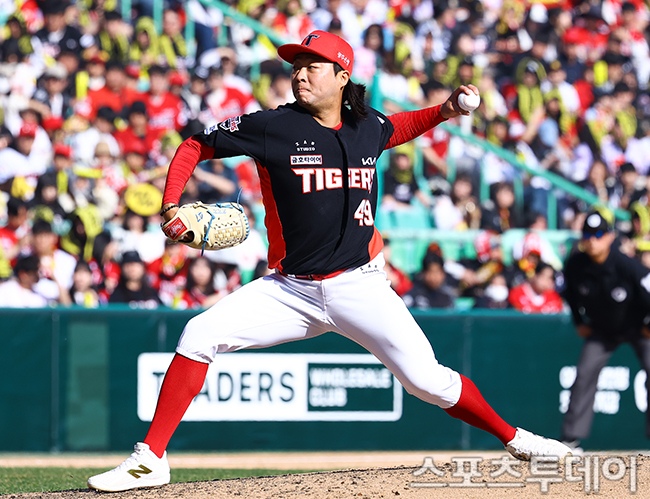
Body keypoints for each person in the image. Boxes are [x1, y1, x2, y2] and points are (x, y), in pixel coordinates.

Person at [87, 30, 571, 493]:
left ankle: (517, 439)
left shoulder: (365, 126)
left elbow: (396, 128)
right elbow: (196, 144)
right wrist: (171, 205)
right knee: (198, 335)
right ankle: (151, 458)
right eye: (296, 66)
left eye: (312, 66)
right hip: (290, 289)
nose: (299, 74)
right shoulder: (273, 126)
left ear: (342, 77)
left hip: (359, 285)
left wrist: (444, 111)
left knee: (427, 381)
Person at [560, 209, 650, 452]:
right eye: (587, 234)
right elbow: (569, 294)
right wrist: (579, 322)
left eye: (599, 234)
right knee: (584, 374)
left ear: (610, 236)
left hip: (638, 326)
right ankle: (571, 439)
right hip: (602, 330)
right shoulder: (576, 265)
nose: (592, 240)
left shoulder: (628, 266)